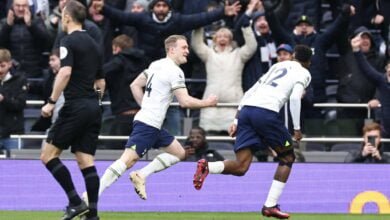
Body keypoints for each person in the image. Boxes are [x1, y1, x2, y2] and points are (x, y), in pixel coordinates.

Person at [193, 44, 313, 219]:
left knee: (241, 166)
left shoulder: (277, 66)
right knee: (287, 157)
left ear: (293, 55)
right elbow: (295, 98)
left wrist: (236, 119)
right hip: (266, 113)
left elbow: (250, 90)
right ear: (308, 61)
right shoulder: (304, 73)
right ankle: (270, 206)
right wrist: (297, 129)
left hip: (247, 111)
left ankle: (207, 167)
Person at [96, 35, 218, 201]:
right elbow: (185, 101)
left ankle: (141, 174)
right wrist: (208, 102)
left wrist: (145, 105)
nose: (187, 51)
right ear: (171, 49)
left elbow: (135, 85)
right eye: (184, 48)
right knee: (126, 161)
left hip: (150, 123)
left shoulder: (156, 64)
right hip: (148, 124)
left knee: (180, 153)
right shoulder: (175, 71)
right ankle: (90, 196)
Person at [39, 1, 105, 220]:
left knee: (48, 156)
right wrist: (93, 103)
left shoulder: (68, 40)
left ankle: (76, 202)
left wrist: (51, 101)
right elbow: (101, 82)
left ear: (67, 17)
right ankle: (93, 215)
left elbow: (65, 72)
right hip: (93, 107)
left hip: (75, 106)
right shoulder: (95, 43)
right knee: (85, 160)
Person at [92, 0, 241, 64]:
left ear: (169, 8)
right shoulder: (142, 19)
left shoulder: (177, 20)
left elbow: (201, 18)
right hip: (146, 65)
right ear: (153, 8)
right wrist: (104, 8)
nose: (161, 8)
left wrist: (223, 12)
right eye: (158, 5)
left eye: (164, 5)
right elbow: (122, 16)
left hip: (170, 65)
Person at [104, 34, 146, 149]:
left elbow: (100, 75)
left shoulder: (117, 62)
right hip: (141, 114)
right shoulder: (143, 61)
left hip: (123, 115)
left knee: (111, 150)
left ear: (117, 48)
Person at [350, 33, 390, 152]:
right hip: (385, 129)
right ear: (387, 68)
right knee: (373, 149)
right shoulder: (382, 81)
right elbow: (366, 69)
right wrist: (356, 50)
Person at [0, 49, 28, 152]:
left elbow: (20, 104)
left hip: (13, 132)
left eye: (2, 66)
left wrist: (3, 99)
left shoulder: (20, 80)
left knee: (16, 164)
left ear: (10, 64)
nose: (0, 69)